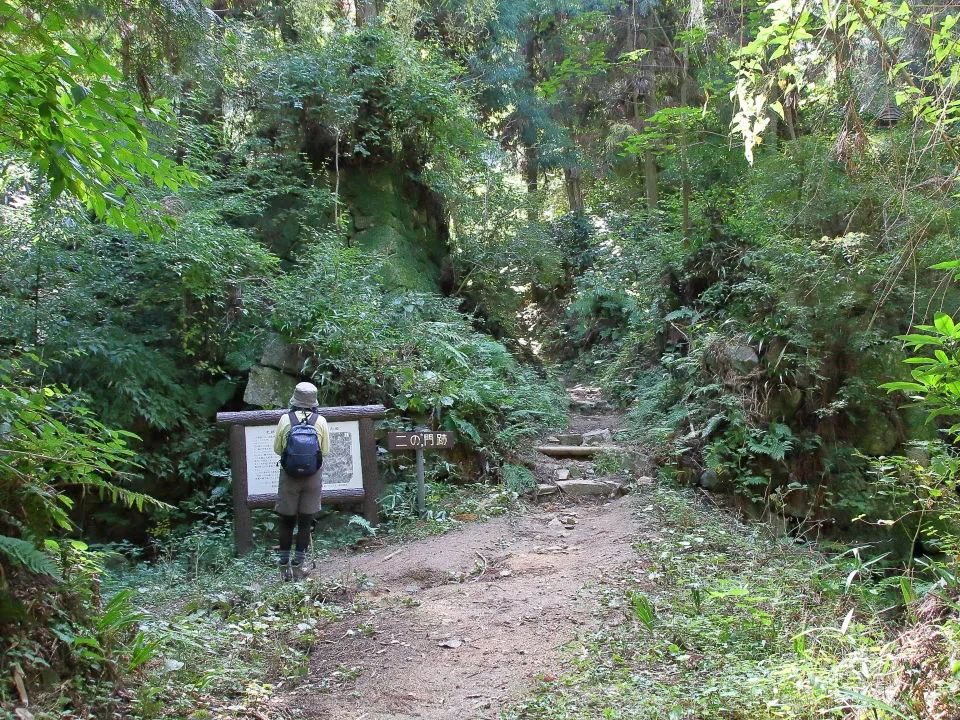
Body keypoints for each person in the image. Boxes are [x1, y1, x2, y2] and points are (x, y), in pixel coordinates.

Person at [273, 381, 330, 579]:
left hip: (289, 476)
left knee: (287, 521)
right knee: (306, 521)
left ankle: (283, 568)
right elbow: (325, 451)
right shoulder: (320, 421)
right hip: (312, 477)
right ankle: (299, 566)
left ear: (295, 399)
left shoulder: (285, 419)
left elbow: (277, 449)